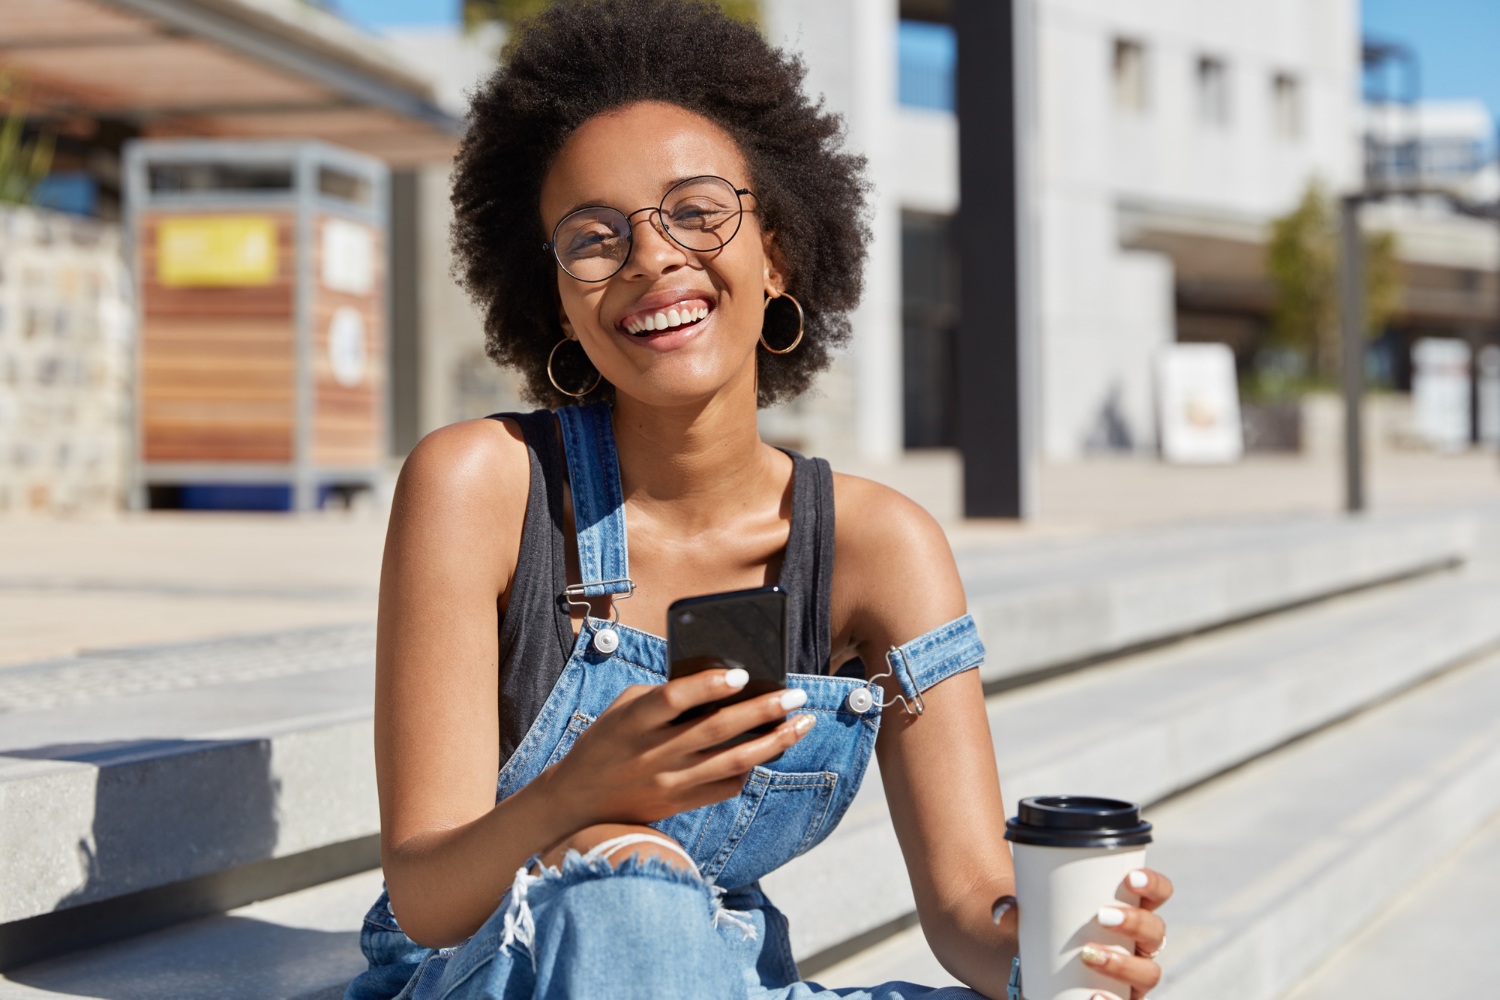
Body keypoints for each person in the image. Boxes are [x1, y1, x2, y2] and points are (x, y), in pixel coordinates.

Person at [349, 2, 1172, 998]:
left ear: (777, 254)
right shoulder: (482, 486)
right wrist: (585, 797)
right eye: (593, 237)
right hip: (486, 969)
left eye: (698, 213)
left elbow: (967, 902)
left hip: (719, 974)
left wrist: (1052, 944)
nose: (652, 256)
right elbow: (426, 892)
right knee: (629, 896)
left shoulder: (880, 547)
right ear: (556, 297)